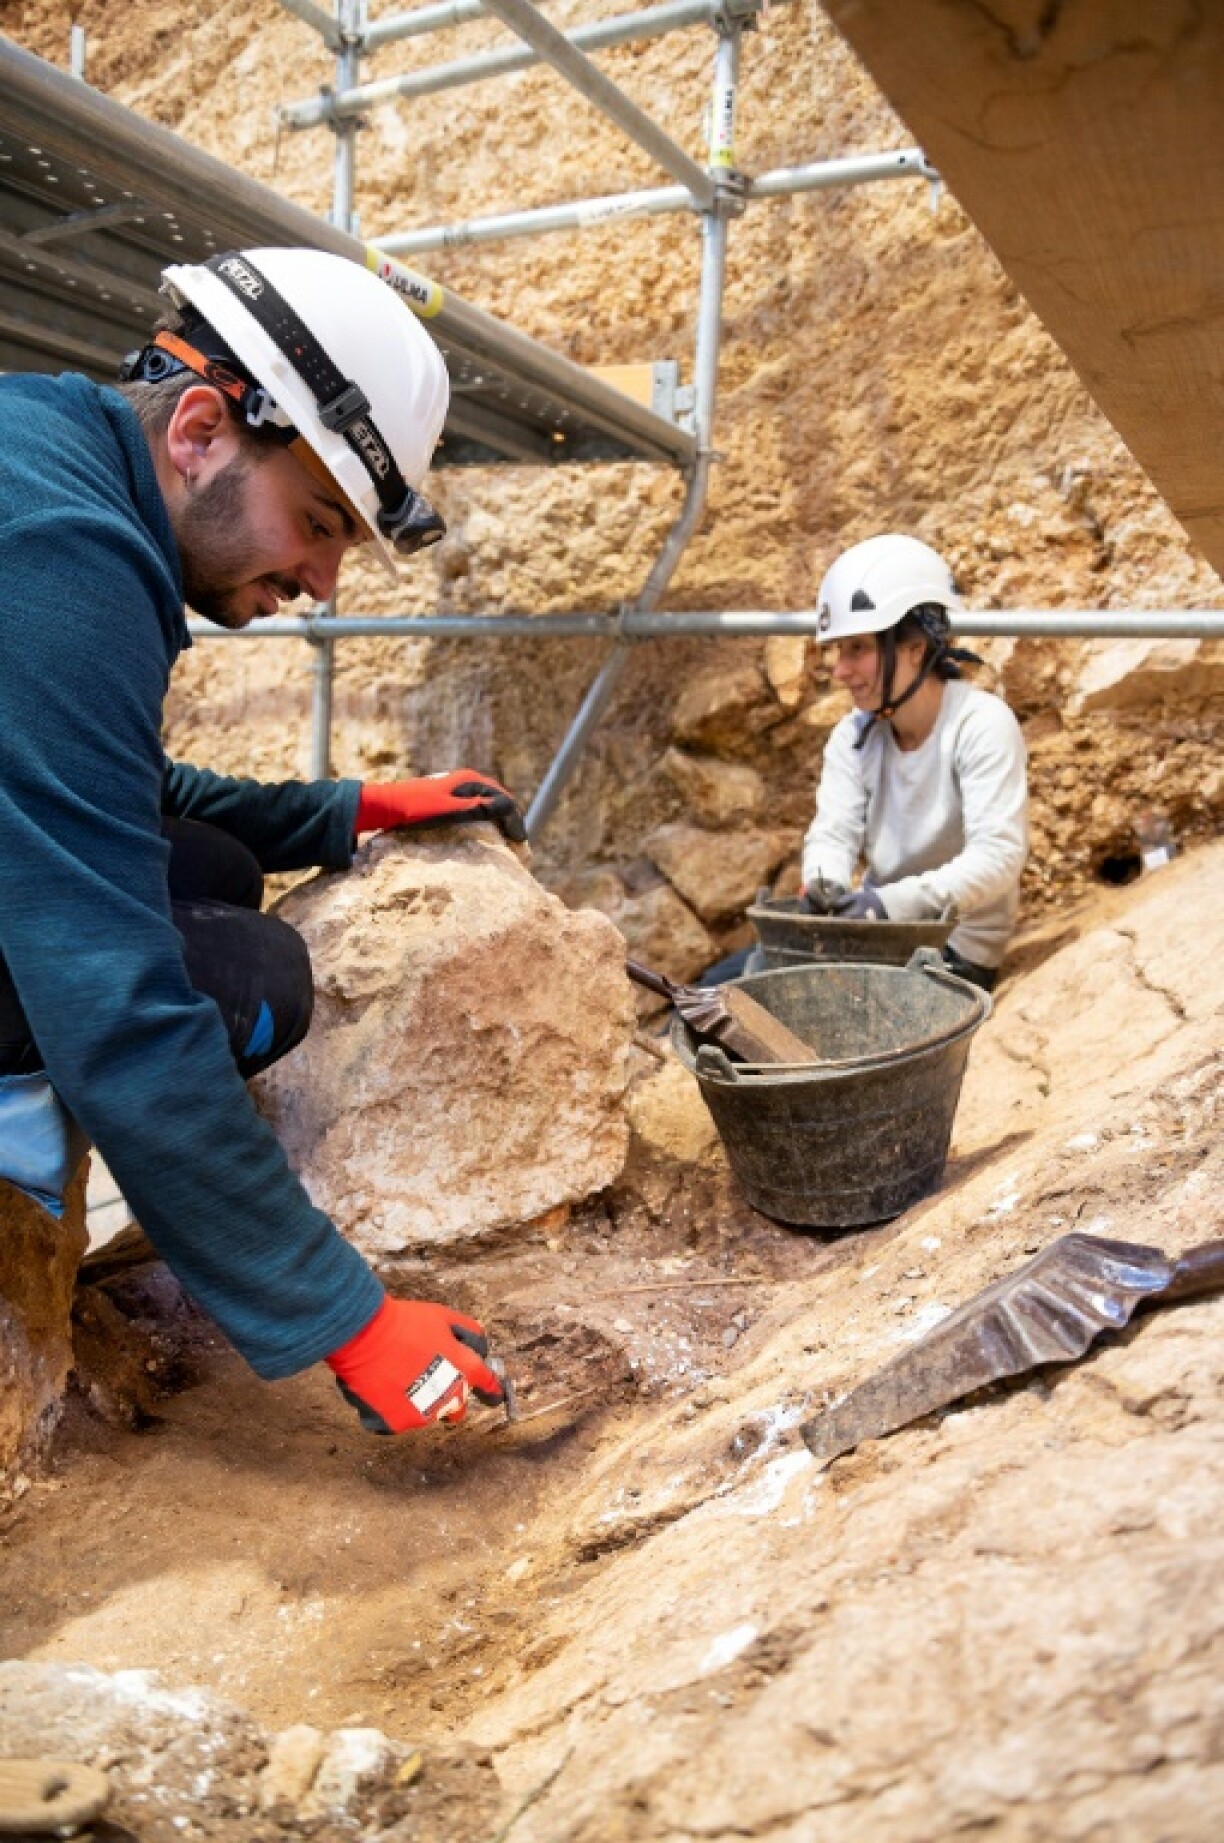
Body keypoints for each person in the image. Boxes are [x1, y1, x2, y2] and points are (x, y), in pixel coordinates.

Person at [0, 245, 524, 1436]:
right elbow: (118, 1004)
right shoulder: (58, 559)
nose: (328, 581)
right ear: (200, 431)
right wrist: (345, 1315)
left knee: (216, 869)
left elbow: (92, 780)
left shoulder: (49, 451)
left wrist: (349, 812)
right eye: (321, 521)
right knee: (244, 978)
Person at [800, 534, 1028, 991]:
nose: (841, 670)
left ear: (916, 648)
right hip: (879, 935)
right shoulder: (853, 734)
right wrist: (824, 878)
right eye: (839, 651)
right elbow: (834, 832)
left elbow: (999, 856)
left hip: (956, 950)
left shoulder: (980, 724)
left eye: (857, 649)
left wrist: (886, 905)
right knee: (730, 980)